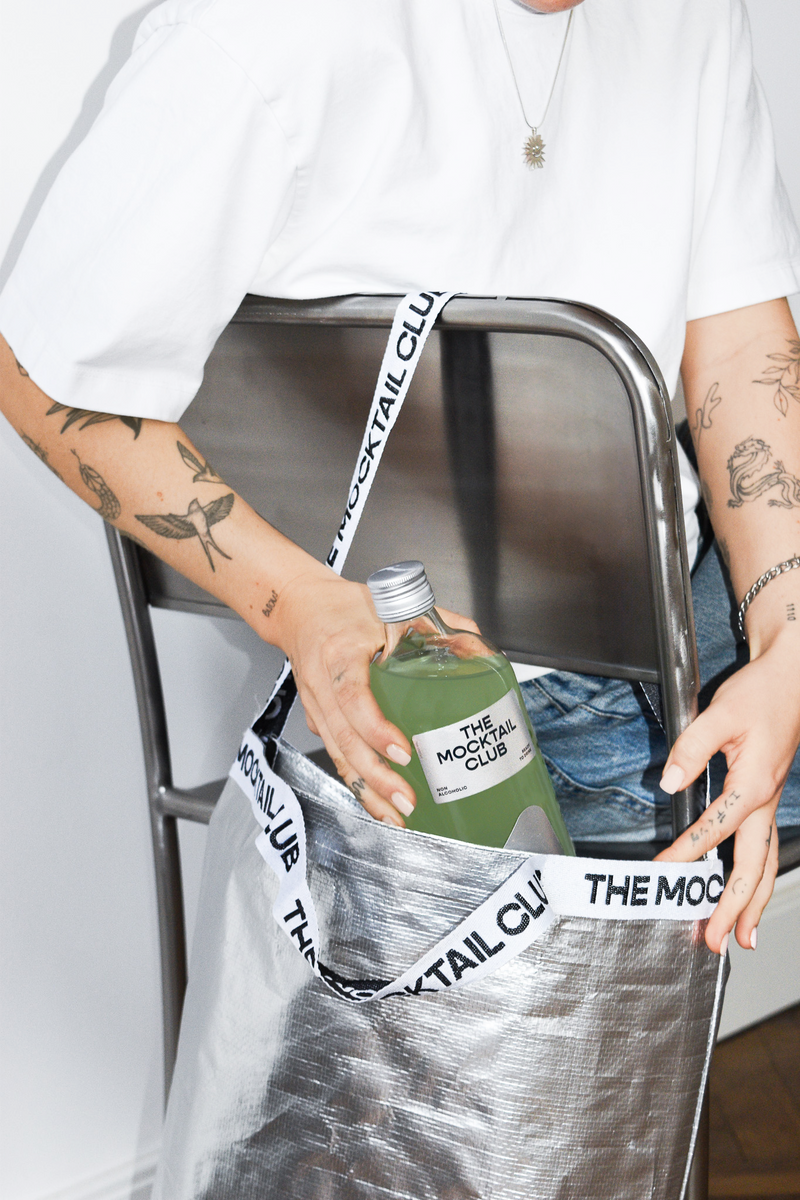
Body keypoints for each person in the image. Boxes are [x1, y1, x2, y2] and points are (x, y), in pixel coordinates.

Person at [0, 0, 799, 977]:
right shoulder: (268, 30)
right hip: (464, 707)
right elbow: (42, 372)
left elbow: (737, 337)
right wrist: (301, 608)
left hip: (704, 620)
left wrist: (785, 638)